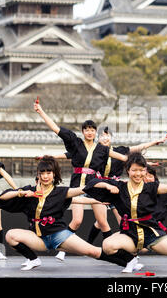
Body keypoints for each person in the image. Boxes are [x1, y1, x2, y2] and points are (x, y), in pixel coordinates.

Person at [0, 156, 140, 271]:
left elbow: (84, 188)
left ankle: (129, 260)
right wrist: (21, 193)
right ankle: (33, 260)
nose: (45, 176)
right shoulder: (30, 191)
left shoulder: (60, 192)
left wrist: (105, 184)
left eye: (48, 173)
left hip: (59, 235)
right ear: (38, 175)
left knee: (92, 252)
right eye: (42, 173)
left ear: (54, 174)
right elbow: (1, 198)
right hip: (38, 238)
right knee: (11, 235)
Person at [34, 99, 130, 261]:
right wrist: (40, 111)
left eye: (92, 129)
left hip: (95, 188)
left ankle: (119, 255)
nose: (90, 132)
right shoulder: (76, 144)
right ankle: (63, 249)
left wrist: (145, 165)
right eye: (87, 129)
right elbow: (56, 129)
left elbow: (124, 158)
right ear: (83, 132)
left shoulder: (102, 149)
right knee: (77, 221)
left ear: (95, 132)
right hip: (77, 187)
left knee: (103, 223)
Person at [86, 126, 167, 245]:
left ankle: (129, 251)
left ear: (111, 137)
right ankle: (98, 249)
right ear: (97, 138)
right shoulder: (94, 152)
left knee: (123, 220)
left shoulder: (120, 150)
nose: (105, 138)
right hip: (103, 187)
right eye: (102, 136)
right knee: (102, 221)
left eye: (107, 135)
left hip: (117, 188)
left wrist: (155, 142)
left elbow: (138, 148)